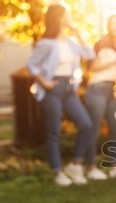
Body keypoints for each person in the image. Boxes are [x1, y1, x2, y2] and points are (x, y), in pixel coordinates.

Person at [27, 3, 97, 186]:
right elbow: (32, 66)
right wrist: (45, 83)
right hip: (53, 90)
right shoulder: (46, 43)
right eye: (67, 14)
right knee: (53, 132)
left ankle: (75, 164)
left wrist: (78, 32)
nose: (70, 17)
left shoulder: (70, 42)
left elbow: (89, 54)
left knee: (86, 125)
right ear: (59, 17)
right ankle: (57, 172)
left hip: (69, 89)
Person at [84, 14, 116, 178]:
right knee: (94, 129)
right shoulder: (103, 43)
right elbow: (92, 67)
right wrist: (115, 60)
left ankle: (115, 166)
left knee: (115, 127)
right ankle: (90, 168)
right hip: (98, 88)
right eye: (113, 24)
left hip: (110, 89)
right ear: (108, 26)